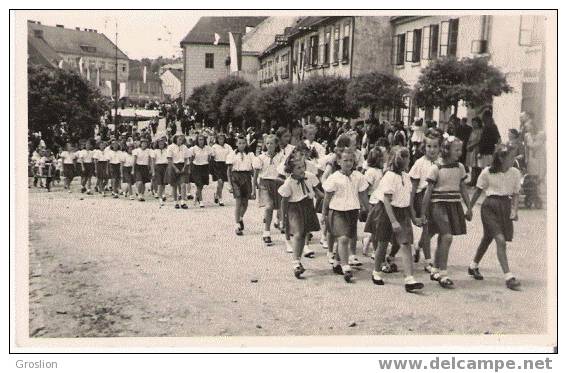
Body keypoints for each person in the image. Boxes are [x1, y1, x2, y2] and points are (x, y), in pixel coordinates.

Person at [364, 146, 424, 293]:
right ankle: (376, 272)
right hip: (386, 212)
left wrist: (414, 217)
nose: (408, 160)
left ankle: (409, 279)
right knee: (383, 244)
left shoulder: (406, 177)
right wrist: (393, 221)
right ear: (398, 160)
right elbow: (386, 200)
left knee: (406, 244)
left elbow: (408, 200)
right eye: (406, 158)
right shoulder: (389, 177)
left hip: (402, 212)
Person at [420, 136, 473, 289]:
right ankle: (443, 273)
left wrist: (469, 207)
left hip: (453, 205)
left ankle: (436, 269)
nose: (460, 152)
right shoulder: (436, 168)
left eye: (460, 149)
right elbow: (428, 193)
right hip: (438, 205)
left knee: (443, 237)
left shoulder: (460, 167)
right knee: (447, 236)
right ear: (446, 150)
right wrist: (423, 213)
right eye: (456, 149)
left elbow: (463, 188)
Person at [468, 145, 522, 290]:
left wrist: (514, 210)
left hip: (505, 207)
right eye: (511, 157)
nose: (514, 159)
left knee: (487, 238)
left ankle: (473, 266)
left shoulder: (515, 173)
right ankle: (508, 277)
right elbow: (478, 191)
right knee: (500, 240)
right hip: (489, 208)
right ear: (501, 158)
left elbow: (516, 194)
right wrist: (469, 208)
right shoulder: (487, 172)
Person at [322, 148, 370, 283]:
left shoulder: (358, 177)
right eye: (345, 160)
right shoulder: (334, 178)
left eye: (351, 160)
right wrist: (324, 214)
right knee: (342, 238)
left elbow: (363, 195)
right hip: (337, 212)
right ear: (338, 161)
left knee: (346, 238)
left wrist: (368, 209)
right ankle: (346, 267)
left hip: (352, 212)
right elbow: (327, 197)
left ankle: (337, 262)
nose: (348, 163)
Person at [279, 150, 322, 279]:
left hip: (307, 206)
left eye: (303, 166)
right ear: (291, 169)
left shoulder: (310, 176)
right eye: (298, 167)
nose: (302, 169)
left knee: (304, 234)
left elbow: (318, 191)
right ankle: (296, 262)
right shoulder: (289, 183)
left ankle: (298, 258)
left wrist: (325, 200)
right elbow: (284, 201)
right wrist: (282, 217)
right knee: (298, 234)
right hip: (294, 208)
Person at [409, 129, 442, 271]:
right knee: (427, 227)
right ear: (424, 147)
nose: (432, 150)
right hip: (422, 198)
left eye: (435, 146)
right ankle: (428, 261)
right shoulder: (419, 163)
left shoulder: (441, 163)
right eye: (429, 146)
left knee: (435, 228)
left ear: (440, 147)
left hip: (437, 198)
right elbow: (413, 187)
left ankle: (419, 245)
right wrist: (411, 207)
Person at [254, 134, 285, 246]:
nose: (269, 145)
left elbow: (284, 172)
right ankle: (266, 232)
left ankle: (280, 223)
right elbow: (256, 174)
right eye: (267, 143)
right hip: (265, 184)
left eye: (272, 143)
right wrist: (254, 189)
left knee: (280, 207)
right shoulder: (261, 158)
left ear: (276, 144)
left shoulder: (281, 157)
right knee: (269, 207)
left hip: (278, 183)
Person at [226, 135, 257, 236]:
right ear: (236, 144)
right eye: (239, 143)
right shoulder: (232, 154)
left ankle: (240, 218)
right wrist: (230, 184)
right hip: (236, 177)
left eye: (243, 143)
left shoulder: (250, 154)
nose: (242, 145)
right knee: (238, 201)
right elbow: (229, 171)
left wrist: (255, 182)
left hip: (246, 177)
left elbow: (254, 169)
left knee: (245, 202)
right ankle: (237, 225)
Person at [361, 146, 384, 257]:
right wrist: (366, 205)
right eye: (381, 158)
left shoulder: (380, 171)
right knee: (376, 229)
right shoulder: (371, 172)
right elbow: (364, 189)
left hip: (380, 201)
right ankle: (375, 250)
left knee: (377, 228)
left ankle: (367, 241)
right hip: (372, 202)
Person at [188, 133, 213, 208]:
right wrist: (189, 169)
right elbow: (191, 160)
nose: (201, 141)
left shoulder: (208, 148)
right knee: (199, 184)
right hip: (196, 167)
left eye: (202, 139)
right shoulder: (193, 149)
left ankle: (196, 196)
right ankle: (201, 201)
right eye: (199, 140)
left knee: (202, 185)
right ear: (197, 140)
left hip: (205, 167)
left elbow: (209, 158)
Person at [167, 134, 190, 209]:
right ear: (175, 139)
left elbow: (186, 158)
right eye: (179, 139)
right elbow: (169, 160)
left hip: (182, 166)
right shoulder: (171, 147)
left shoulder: (184, 147)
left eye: (182, 139)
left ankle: (183, 202)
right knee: (174, 185)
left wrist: (184, 167)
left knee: (183, 184)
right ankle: (175, 202)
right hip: (173, 166)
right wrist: (175, 168)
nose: (181, 140)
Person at [211, 133, 232, 206]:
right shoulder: (214, 147)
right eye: (219, 139)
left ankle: (217, 194)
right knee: (220, 181)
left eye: (222, 139)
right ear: (217, 139)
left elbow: (231, 155)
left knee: (222, 183)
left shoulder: (227, 146)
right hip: (217, 165)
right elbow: (212, 157)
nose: (221, 140)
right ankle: (220, 198)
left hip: (225, 165)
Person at [151, 137, 169, 206]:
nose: (161, 144)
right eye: (159, 143)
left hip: (165, 167)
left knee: (164, 183)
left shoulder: (166, 150)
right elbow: (153, 162)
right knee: (159, 183)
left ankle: (163, 194)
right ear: (157, 144)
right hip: (158, 167)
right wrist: (153, 171)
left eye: (162, 143)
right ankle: (160, 198)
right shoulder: (155, 151)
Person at [466, 117, 483, 186]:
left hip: (476, 149)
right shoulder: (473, 130)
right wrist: (468, 145)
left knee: (476, 166)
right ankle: (472, 180)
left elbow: (478, 140)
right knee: (472, 166)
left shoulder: (480, 131)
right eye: (473, 123)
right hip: (471, 149)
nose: (473, 124)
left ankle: (475, 181)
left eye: (475, 123)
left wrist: (471, 146)